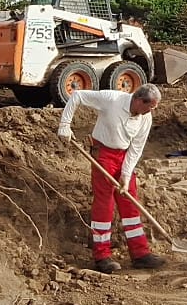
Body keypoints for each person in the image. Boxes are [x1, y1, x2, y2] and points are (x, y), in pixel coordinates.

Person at [59, 84, 162, 273]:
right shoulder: (112, 99)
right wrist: (65, 125)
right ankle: (102, 256)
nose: (151, 111)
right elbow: (78, 96)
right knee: (104, 204)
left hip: (124, 157)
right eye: (151, 106)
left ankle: (140, 254)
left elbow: (136, 147)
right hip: (103, 154)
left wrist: (126, 174)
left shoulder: (145, 117)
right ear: (139, 101)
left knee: (130, 202)